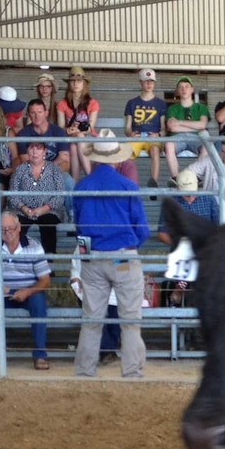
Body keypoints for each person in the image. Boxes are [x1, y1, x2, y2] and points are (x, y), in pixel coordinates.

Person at [72, 138, 150, 379]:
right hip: (123, 257)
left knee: (91, 320)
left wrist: (85, 257)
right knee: (130, 320)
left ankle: (85, 372)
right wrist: (129, 246)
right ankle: (132, 372)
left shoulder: (81, 187)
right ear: (117, 159)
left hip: (93, 258)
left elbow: (79, 228)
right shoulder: (128, 187)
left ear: (94, 158)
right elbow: (143, 230)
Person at [0, 211, 52, 371]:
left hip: (28, 292)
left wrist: (27, 292)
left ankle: (40, 354)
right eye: (2, 229)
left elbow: (45, 281)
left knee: (39, 302)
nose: (7, 232)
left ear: (19, 228)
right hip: (1, 292)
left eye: (11, 228)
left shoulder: (34, 246)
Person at [156, 168, 219, 315]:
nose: (189, 197)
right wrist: (180, 244)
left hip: (203, 249)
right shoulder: (173, 202)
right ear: (178, 189)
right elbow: (161, 234)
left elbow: (218, 229)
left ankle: (179, 290)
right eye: (186, 193)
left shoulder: (209, 199)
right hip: (184, 251)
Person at [7, 139, 66, 256]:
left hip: (49, 211)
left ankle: (49, 262)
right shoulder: (20, 170)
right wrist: (24, 208)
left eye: (38, 148)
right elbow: (12, 195)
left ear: (45, 152)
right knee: (16, 225)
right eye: (31, 148)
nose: (35, 152)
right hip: (23, 211)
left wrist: (43, 209)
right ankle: (18, 260)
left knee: (48, 223)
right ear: (27, 151)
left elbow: (60, 196)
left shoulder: (55, 169)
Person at [125, 67, 167, 189]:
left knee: (155, 150)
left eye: (151, 81)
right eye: (146, 81)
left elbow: (164, 129)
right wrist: (131, 134)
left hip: (152, 138)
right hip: (136, 137)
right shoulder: (131, 103)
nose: (149, 84)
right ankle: (129, 185)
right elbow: (127, 128)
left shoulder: (160, 103)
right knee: (125, 153)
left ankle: (153, 183)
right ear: (140, 82)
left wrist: (158, 135)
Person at [164, 75, 210, 180]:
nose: (184, 89)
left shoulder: (201, 107)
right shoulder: (172, 108)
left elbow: (203, 125)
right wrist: (196, 127)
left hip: (196, 138)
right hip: (177, 138)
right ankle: (176, 178)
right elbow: (172, 128)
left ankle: (196, 177)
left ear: (192, 89)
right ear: (177, 91)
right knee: (168, 144)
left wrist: (179, 122)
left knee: (207, 146)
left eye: (187, 86)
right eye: (181, 87)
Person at [57, 66, 99, 178]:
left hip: (88, 137)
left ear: (84, 83)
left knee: (78, 138)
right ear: (69, 84)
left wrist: (78, 130)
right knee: (73, 145)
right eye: (73, 81)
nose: (76, 84)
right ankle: (81, 181)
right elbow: (61, 127)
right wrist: (68, 130)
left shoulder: (92, 103)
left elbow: (90, 128)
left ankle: (89, 177)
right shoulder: (62, 103)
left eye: (79, 81)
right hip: (70, 137)